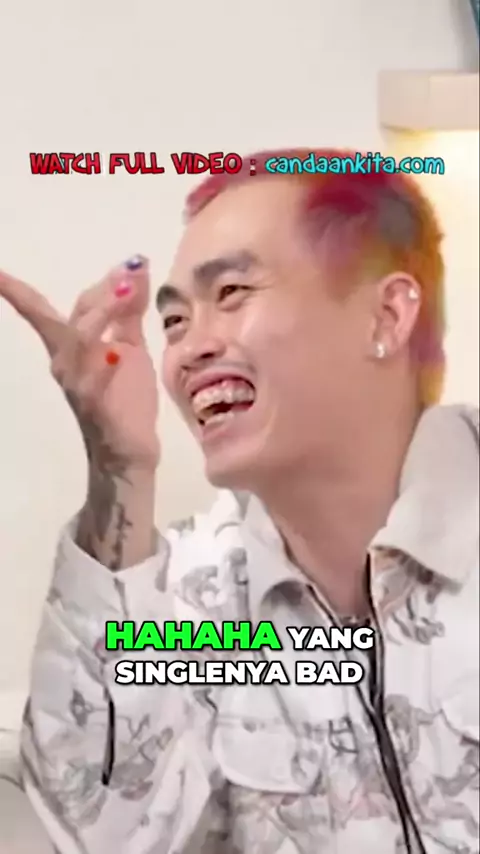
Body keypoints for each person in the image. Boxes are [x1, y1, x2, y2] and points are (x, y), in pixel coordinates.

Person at [0, 148, 478, 854]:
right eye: (173, 321)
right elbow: (98, 832)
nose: (188, 350)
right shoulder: (196, 604)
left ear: (385, 315)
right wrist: (119, 469)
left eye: (231, 293)